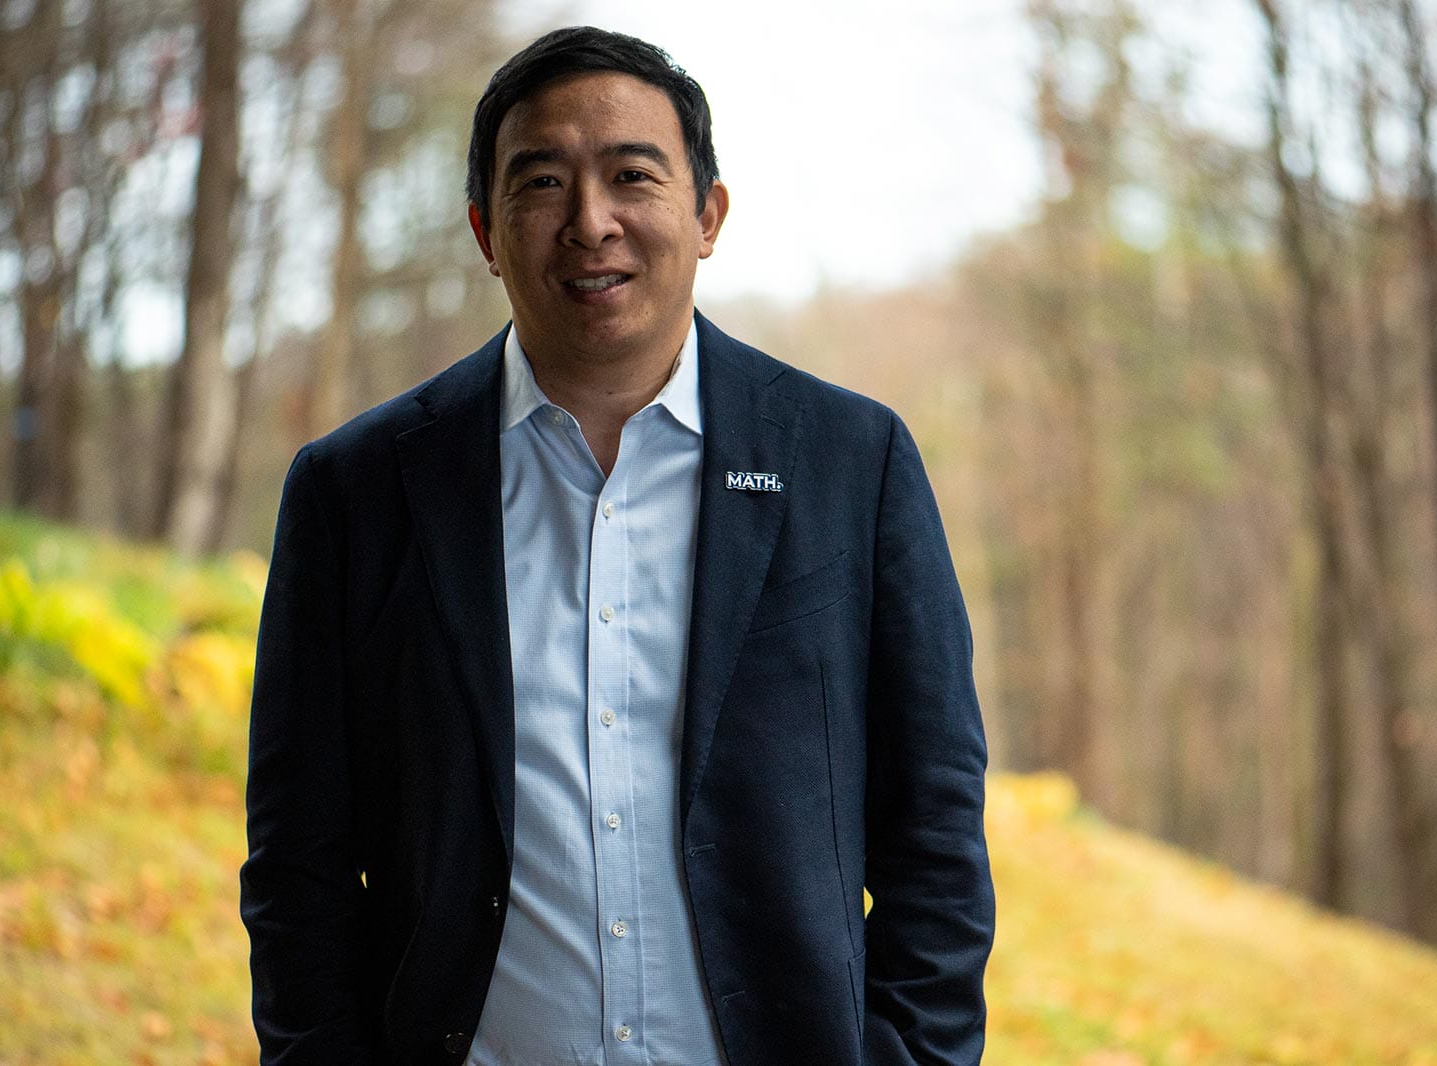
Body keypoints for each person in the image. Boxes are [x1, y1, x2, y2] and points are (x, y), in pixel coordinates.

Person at [241, 25, 994, 1066]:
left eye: (631, 175)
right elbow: (298, 864)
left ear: (707, 214)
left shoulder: (850, 463)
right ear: (485, 231)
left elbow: (935, 833)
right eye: (541, 183)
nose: (589, 223)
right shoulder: (356, 492)